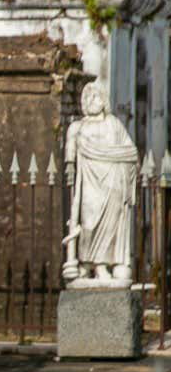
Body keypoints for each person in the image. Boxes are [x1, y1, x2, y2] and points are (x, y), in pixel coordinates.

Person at [62, 83, 138, 283]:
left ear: (104, 101)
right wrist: (70, 165)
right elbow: (69, 153)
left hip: (112, 184)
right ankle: (86, 264)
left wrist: (119, 162)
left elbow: (131, 152)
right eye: (86, 98)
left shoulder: (113, 124)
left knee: (111, 226)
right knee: (88, 222)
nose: (90, 101)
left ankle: (103, 266)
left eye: (95, 97)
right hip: (89, 183)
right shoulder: (78, 127)